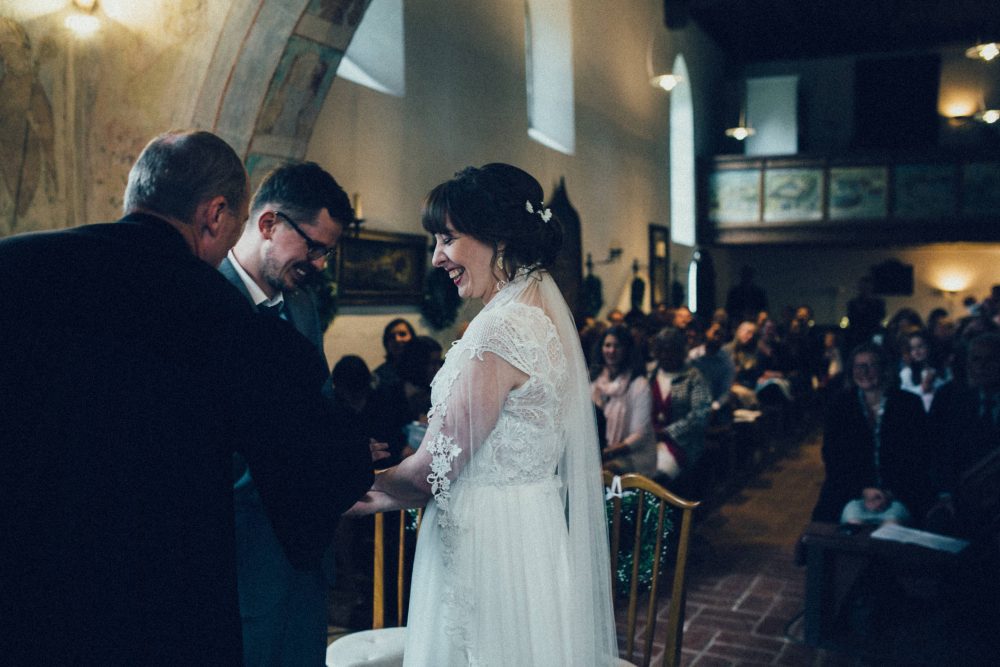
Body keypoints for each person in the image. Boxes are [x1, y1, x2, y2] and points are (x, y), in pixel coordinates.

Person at [0, 130, 372, 664]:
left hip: (26, 580)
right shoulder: (222, 316)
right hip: (156, 591)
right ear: (215, 214)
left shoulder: (16, 264)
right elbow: (306, 451)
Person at [347, 163, 617, 665]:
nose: (437, 258)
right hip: (530, 530)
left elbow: (434, 469)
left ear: (497, 237)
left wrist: (365, 483)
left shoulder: (499, 331)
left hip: (488, 544)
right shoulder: (540, 316)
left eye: (446, 238)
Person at [219, 160, 355, 666]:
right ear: (269, 224)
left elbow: (314, 406)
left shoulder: (302, 308)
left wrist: (341, 450)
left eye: (327, 252)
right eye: (314, 247)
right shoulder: (209, 295)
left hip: (305, 558)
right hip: (240, 554)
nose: (319, 263)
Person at [811, 343, 932, 526]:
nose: (864, 372)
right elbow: (832, 456)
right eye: (859, 366)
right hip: (851, 490)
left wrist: (890, 493)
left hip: (899, 491)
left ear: (884, 369)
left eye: (871, 365)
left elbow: (918, 456)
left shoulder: (909, 405)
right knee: (851, 526)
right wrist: (863, 490)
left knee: (893, 526)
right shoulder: (840, 406)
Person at [590, 325, 656, 477]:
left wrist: (607, 452)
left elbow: (639, 435)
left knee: (600, 474)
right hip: (602, 452)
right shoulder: (595, 381)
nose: (611, 351)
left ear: (627, 350)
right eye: (607, 345)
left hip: (632, 456)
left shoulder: (639, 385)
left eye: (617, 346)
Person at [649, 327, 712, 483]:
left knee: (656, 476)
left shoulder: (693, 377)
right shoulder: (650, 373)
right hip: (648, 440)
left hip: (681, 443)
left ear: (680, 352)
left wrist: (667, 432)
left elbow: (701, 415)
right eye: (661, 350)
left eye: (670, 351)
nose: (665, 355)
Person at [374, 318, 417, 389]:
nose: (397, 339)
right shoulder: (379, 376)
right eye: (392, 337)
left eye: (402, 334)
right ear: (386, 343)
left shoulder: (425, 368)